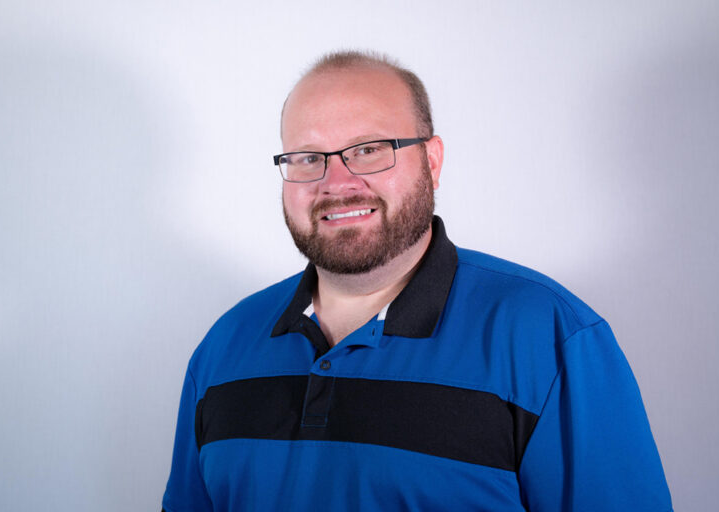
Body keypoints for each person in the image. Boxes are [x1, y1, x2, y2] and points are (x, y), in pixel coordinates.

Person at [162, 51, 672, 512]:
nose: (337, 183)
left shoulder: (548, 337)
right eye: (308, 157)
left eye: (368, 150)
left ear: (432, 161)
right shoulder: (224, 347)